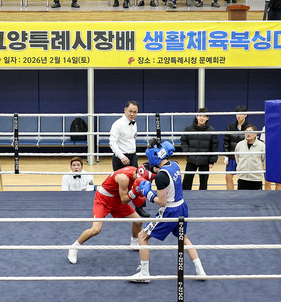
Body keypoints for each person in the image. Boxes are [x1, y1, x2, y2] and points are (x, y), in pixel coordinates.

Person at [130, 140, 206, 282]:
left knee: (142, 237)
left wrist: (148, 194)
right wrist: (153, 171)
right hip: (182, 206)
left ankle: (144, 274)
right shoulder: (175, 164)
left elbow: (162, 201)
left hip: (170, 210)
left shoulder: (161, 177)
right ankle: (200, 270)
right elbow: (165, 174)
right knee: (184, 238)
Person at [66, 164, 149, 264]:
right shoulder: (123, 178)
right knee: (96, 229)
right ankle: (74, 247)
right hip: (103, 200)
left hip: (117, 199)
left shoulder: (135, 171)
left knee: (138, 221)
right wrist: (134, 193)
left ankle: (134, 243)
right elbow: (124, 200)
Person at [108, 100, 147, 216]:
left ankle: (139, 208)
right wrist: (122, 156)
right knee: (119, 185)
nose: (132, 114)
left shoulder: (134, 123)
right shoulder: (117, 124)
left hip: (133, 156)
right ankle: (116, 208)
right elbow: (112, 143)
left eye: (135, 112)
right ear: (125, 110)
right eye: (130, 111)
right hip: (120, 158)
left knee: (138, 182)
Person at [180, 108, 218, 191]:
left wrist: (212, 160)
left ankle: (203, 197)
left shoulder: (211, 130)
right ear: (196, 116)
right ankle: (185, 196)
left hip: (205, 160)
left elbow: (214, 145)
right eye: (200, 116)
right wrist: (187, 151)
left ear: (207, 118)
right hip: (191, 159)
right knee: (187, 182)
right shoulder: (189, 128)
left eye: (204, 116)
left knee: (203, 183)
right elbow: (183, 140)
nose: (202, 118)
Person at [223, 105, 251, 190]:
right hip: (232, 157)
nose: (239, 116)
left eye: (241, 114)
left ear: (245, 115)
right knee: (228, 177)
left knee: (244, 179)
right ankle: (230, 195)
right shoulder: (230, 127)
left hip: (244, 158)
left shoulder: (250, 127)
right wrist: (226, 155)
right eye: (237, 114)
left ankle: (242, 195)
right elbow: (226, 141)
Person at [234, 125, 266, 190]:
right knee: (242, 196)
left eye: (250, 131)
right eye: (246, 131)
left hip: (256, 179)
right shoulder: (239, 145)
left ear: (255, 134)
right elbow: (237, 158)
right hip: (242, 178)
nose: (248, 134)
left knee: (256, 196)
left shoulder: (262, 146)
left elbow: (264, 160)